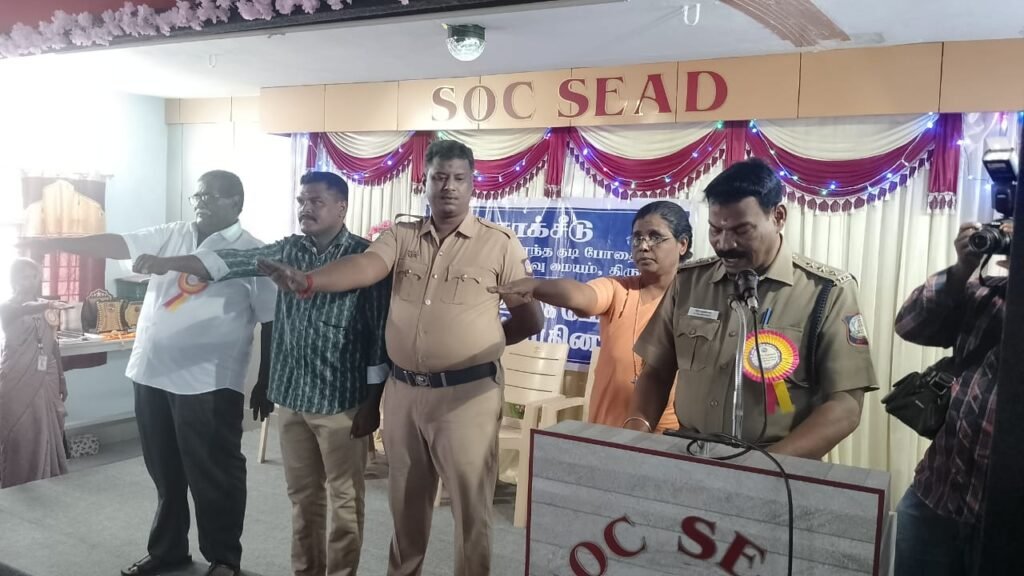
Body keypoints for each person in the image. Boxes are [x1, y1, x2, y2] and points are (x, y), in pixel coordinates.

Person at [258, 140, 544, 576]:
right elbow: (365, 268)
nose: (449, 186)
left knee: (470, 511)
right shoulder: (401, 236)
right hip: (404, 393)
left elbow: (530, 319)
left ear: (473, 184)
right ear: (424, 182)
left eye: (459, 178)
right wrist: (310, 281)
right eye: (439, 177)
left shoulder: (499, 244)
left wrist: (478, 347)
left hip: (467, 397)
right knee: (406, 506)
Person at [132, 171, 390, 576]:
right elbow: (228, 262)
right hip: (293, 399)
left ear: (341, 207)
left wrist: (373, 402)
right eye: (301, 201)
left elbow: (377, 335)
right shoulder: (287, 249)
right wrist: (167, 263)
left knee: (344, 502)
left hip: (340, 401)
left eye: (316, 201)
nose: (306, 208)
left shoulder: (365, 257)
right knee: (302, 499)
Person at [23, 170, 276, 576]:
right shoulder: (172, 233)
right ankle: (168, 550)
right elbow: (117, 243)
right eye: (197, 196)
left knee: (215, 474)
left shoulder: (253, 251)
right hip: (151, 372)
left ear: (236, 202)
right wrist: (55, 242)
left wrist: (267, 378)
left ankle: (224, 558)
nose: (200, 203)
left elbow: (272, 320)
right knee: (164, 471)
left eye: (210, 196)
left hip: (209, 382)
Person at [626, 158, 877, 458]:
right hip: (690, 455)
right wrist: (635, 436)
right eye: (715, 230)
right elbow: (656, 371)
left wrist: (763, 469)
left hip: (779, 465)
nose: (725, 243)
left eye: (741, 230)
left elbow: (845, 406)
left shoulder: (827, 292)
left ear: (778, 217)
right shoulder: (689, 283)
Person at [491, 200, 692, 432]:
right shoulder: (619, 290)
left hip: (665, 439)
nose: (644, 246)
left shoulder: (695, 301)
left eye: (655, 237)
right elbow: (580, 296)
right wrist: (536, 286)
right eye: (637, 238)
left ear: (682, 244)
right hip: (607, 435)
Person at [892, 221, 1011, 576]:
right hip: (936, 496)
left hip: (1008, 520)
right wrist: (962, 269)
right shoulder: (987, 293)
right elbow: (910, 324)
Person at [0, 259, 70, 488]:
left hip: (47, 371)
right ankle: (18, 476)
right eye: (24, 277)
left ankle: (49, 470)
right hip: (17, 372)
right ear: (13, 279)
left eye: (34, 277)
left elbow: (54, 344)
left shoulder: (45, 307)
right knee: (20, 425)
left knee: (49, 421)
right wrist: (46, 305)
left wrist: (62, 378)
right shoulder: (7, 306)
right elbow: (21, 309)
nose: (29, 282)